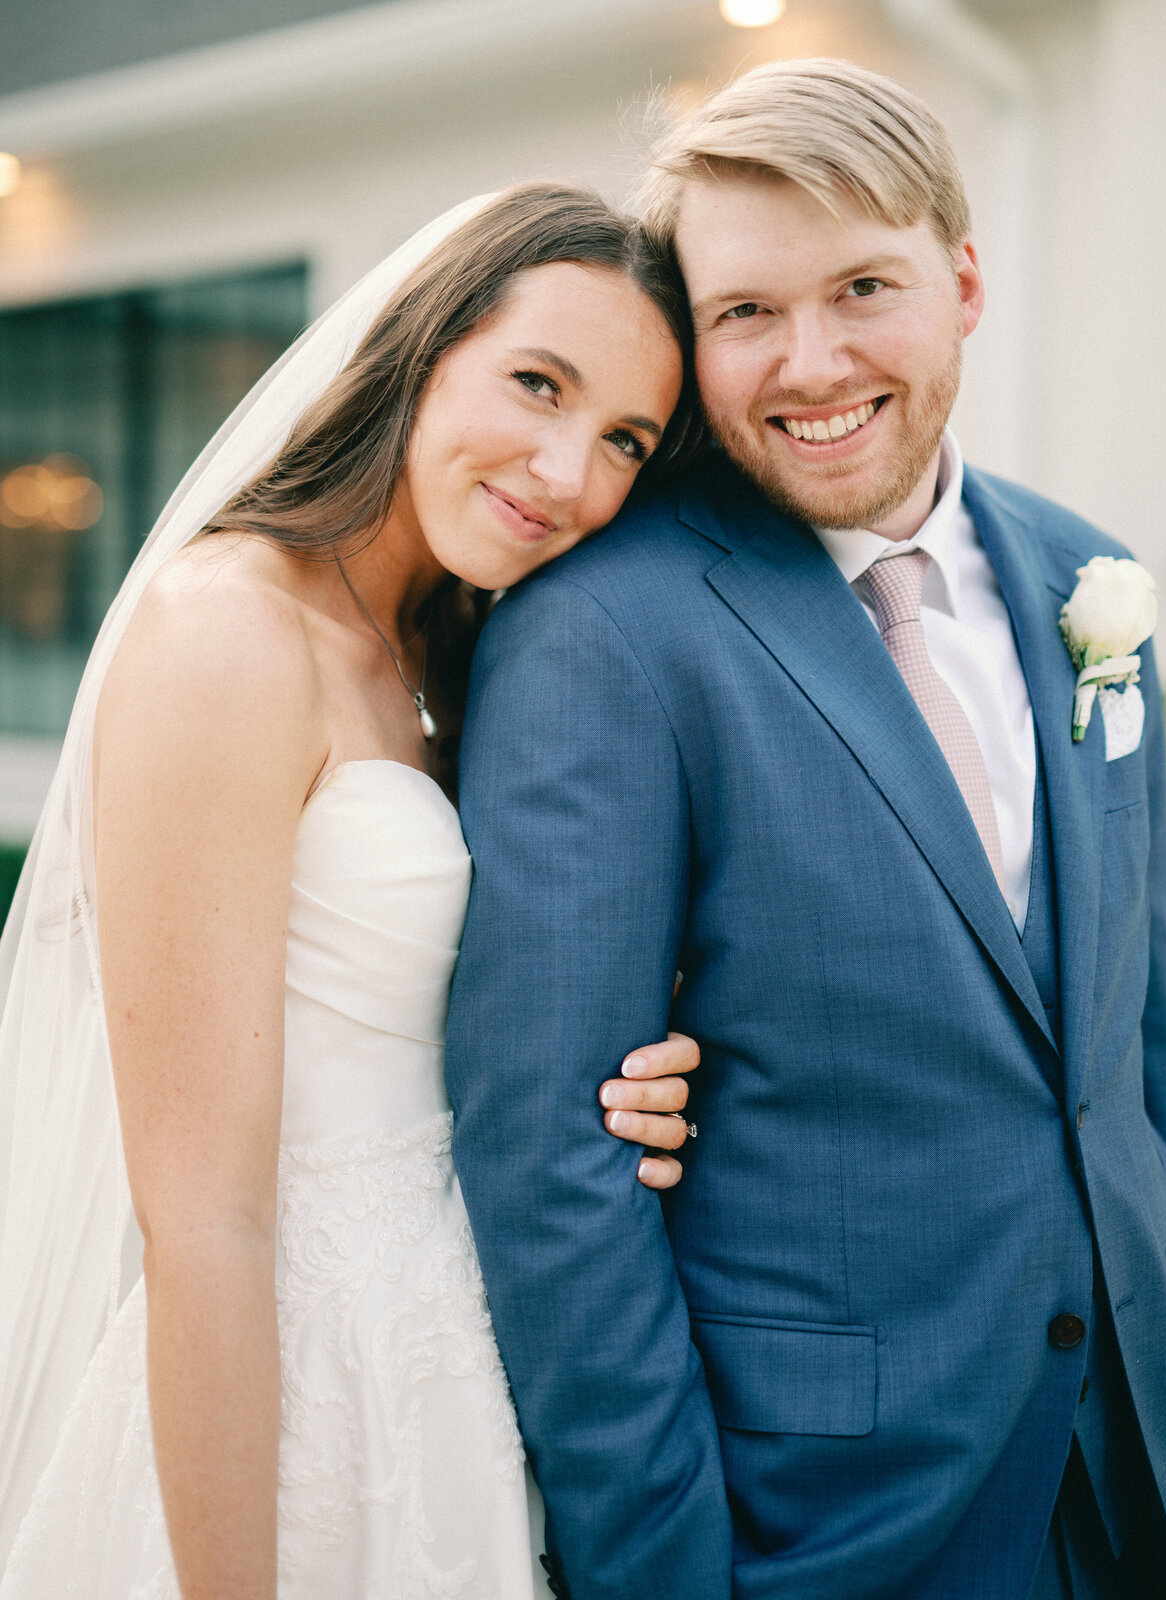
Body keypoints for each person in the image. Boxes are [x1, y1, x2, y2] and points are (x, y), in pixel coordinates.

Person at [445, 60, 1166, 1600]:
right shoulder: (606, 629)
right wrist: (661, 1569)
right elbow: (551, 1166)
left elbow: (1150, 1046)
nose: (811, 361)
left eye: (865, 285)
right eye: (745, 315)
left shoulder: (1091, 581)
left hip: (1149, 1468)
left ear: (965, 281)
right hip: (828, 1518)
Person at [0, 184, 710, 1598]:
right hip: (272, 1406)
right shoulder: (228, 634)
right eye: (537, 383)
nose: (569, 472)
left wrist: (641, 1066)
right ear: (420, 344)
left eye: (624, 438)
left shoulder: (454, 649)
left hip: (448, 1366)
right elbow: (202, 1217)